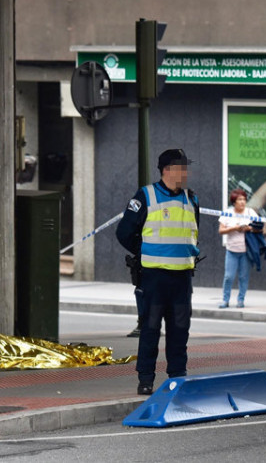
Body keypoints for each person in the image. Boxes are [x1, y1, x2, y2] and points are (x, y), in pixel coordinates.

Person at [116, 149, 200, 396]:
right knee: (151, 329)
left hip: (182, 277)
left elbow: (194, 233)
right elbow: (124, 232)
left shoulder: (192, 198)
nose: (186, 173)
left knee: (180, 330)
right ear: (167, 170)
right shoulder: (146, 196)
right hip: (154, 277)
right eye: (182, 168)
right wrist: (143, 254)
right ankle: (145, 380)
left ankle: (177, 377)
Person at [218, 188, 259, 308]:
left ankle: (241, 300)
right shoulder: (228, 212)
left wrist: (249, 228)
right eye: (239, 199)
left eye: (244, 199)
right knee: (229, 276)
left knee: (243, 276)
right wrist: (234, 228)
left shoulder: (250, 212)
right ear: (234, 201)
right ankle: (225, 300)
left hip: (246, 251)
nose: (242, 202)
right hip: (231, 250)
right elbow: (221, 230)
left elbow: (260, 227)